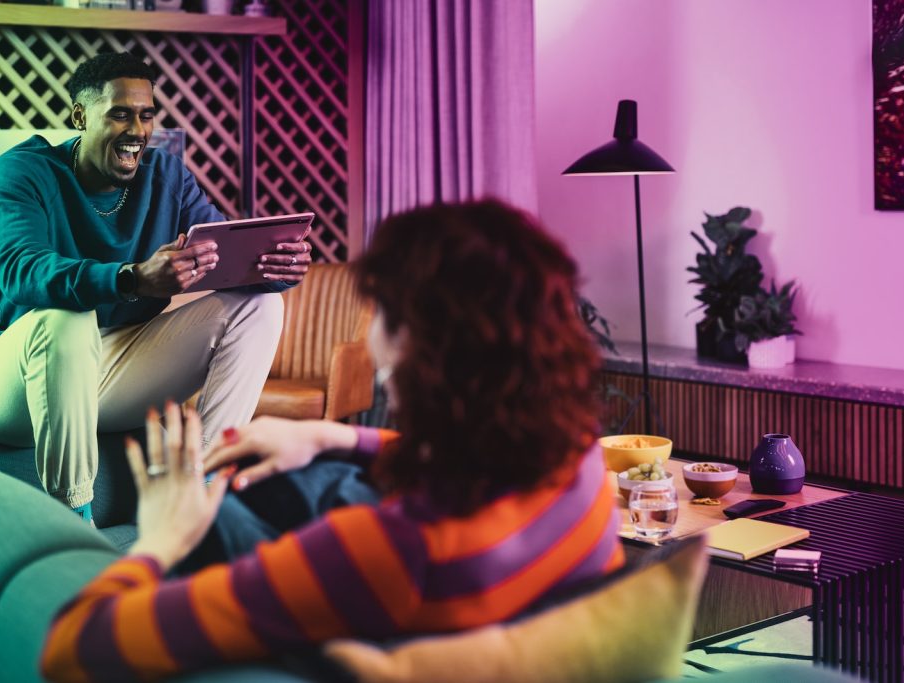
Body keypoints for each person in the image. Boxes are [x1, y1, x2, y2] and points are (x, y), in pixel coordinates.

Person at [40, 199, 623, 681]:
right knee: (309, 479)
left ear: (415, 351)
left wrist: (162, 540)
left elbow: (73, 647)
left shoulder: (382, 552)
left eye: (378, 314)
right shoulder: (582, 462)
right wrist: (334, 438)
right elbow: (476, 461)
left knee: (232, 515)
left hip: (324, 587)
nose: (368, 338)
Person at [0, 52, 311, 524]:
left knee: (261, 308)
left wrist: (277, 266)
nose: (137, 130)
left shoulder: (166, 177)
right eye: (120, 114)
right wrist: (133, 278)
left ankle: (203, 496)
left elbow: (226, 255)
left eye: (146, 115)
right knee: (67, 317)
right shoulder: (21, 174)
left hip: (103, 373)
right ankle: (74, 517)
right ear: (79, 116)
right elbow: (24, 272)